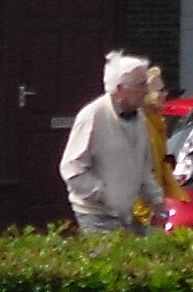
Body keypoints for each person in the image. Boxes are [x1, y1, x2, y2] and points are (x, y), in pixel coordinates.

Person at [62, 51, 164, 235]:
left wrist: (158, 201)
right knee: (111, 261)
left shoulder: (139, 116)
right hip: (96, 215)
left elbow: (143, 167)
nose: (146, 91)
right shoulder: (92, 116)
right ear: (119, 89)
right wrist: (104, 194)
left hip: (125, 214)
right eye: (141, 85)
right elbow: (71, 169)